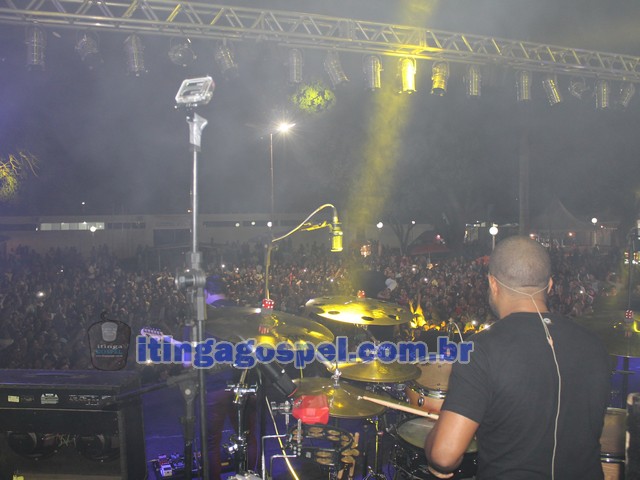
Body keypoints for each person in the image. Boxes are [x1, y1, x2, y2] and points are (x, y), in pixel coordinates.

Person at [424, 236, 611, 479]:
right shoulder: (595, 345)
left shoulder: (480, 349)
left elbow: (444, 455)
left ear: (493, 283)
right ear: (550, 285)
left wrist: (434, 442)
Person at [203, 275, 258, 480]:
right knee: (248, 437)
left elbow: (188, 361)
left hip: (215, 386)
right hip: (244, 384)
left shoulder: (203, 317)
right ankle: (248, 477)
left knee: (212, 442)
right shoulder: (244, 314)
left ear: (205, 292)